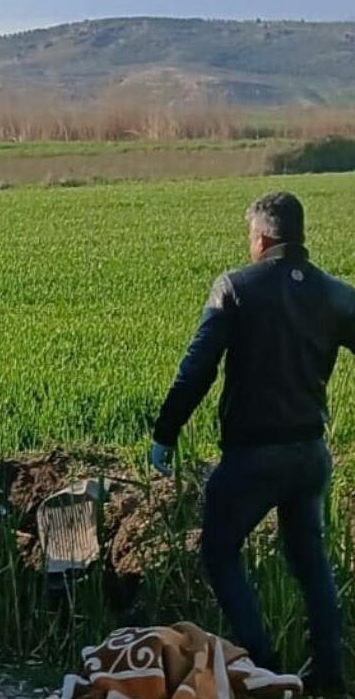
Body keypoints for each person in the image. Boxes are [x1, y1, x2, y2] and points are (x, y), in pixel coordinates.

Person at [150, 191, 349, 696]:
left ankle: (263, 668)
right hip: (309, 454)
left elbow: (196, 370)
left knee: (220, 550)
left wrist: (165, 433)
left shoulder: (235, 287)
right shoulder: (333, 292)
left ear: (260, 238)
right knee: (310, 561)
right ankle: (330, 675)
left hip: (252, 457)